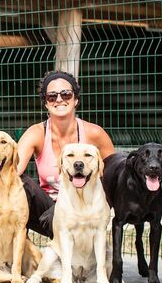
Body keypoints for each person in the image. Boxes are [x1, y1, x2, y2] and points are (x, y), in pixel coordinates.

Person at [17, 70, 115, 238]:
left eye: (66, 94)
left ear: (76, 99)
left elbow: (114, 177)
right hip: (49, 214)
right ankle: (19, 247)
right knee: (21, 183)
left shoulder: (95, 133)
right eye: (52, 96)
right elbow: (12, 172)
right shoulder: (36, 133)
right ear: (46, 103)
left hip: (85, 210)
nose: (59, 99)